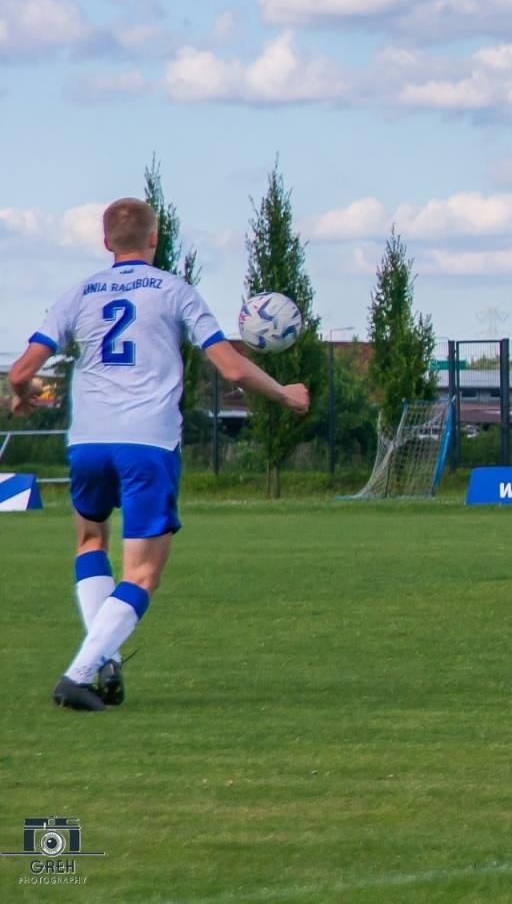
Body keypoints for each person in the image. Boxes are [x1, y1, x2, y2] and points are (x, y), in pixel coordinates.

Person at [7, 198, 310, 712]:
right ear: (155, 239)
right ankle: (79, 674)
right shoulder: (174, 290)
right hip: (146, 441)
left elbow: (20, 371)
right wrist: (285, 393)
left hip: (87, 442)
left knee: (89, 540)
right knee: (142, 574)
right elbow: (232, 369)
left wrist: (23, 393)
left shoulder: (77, 293)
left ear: (107, 242)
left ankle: (109, 661)